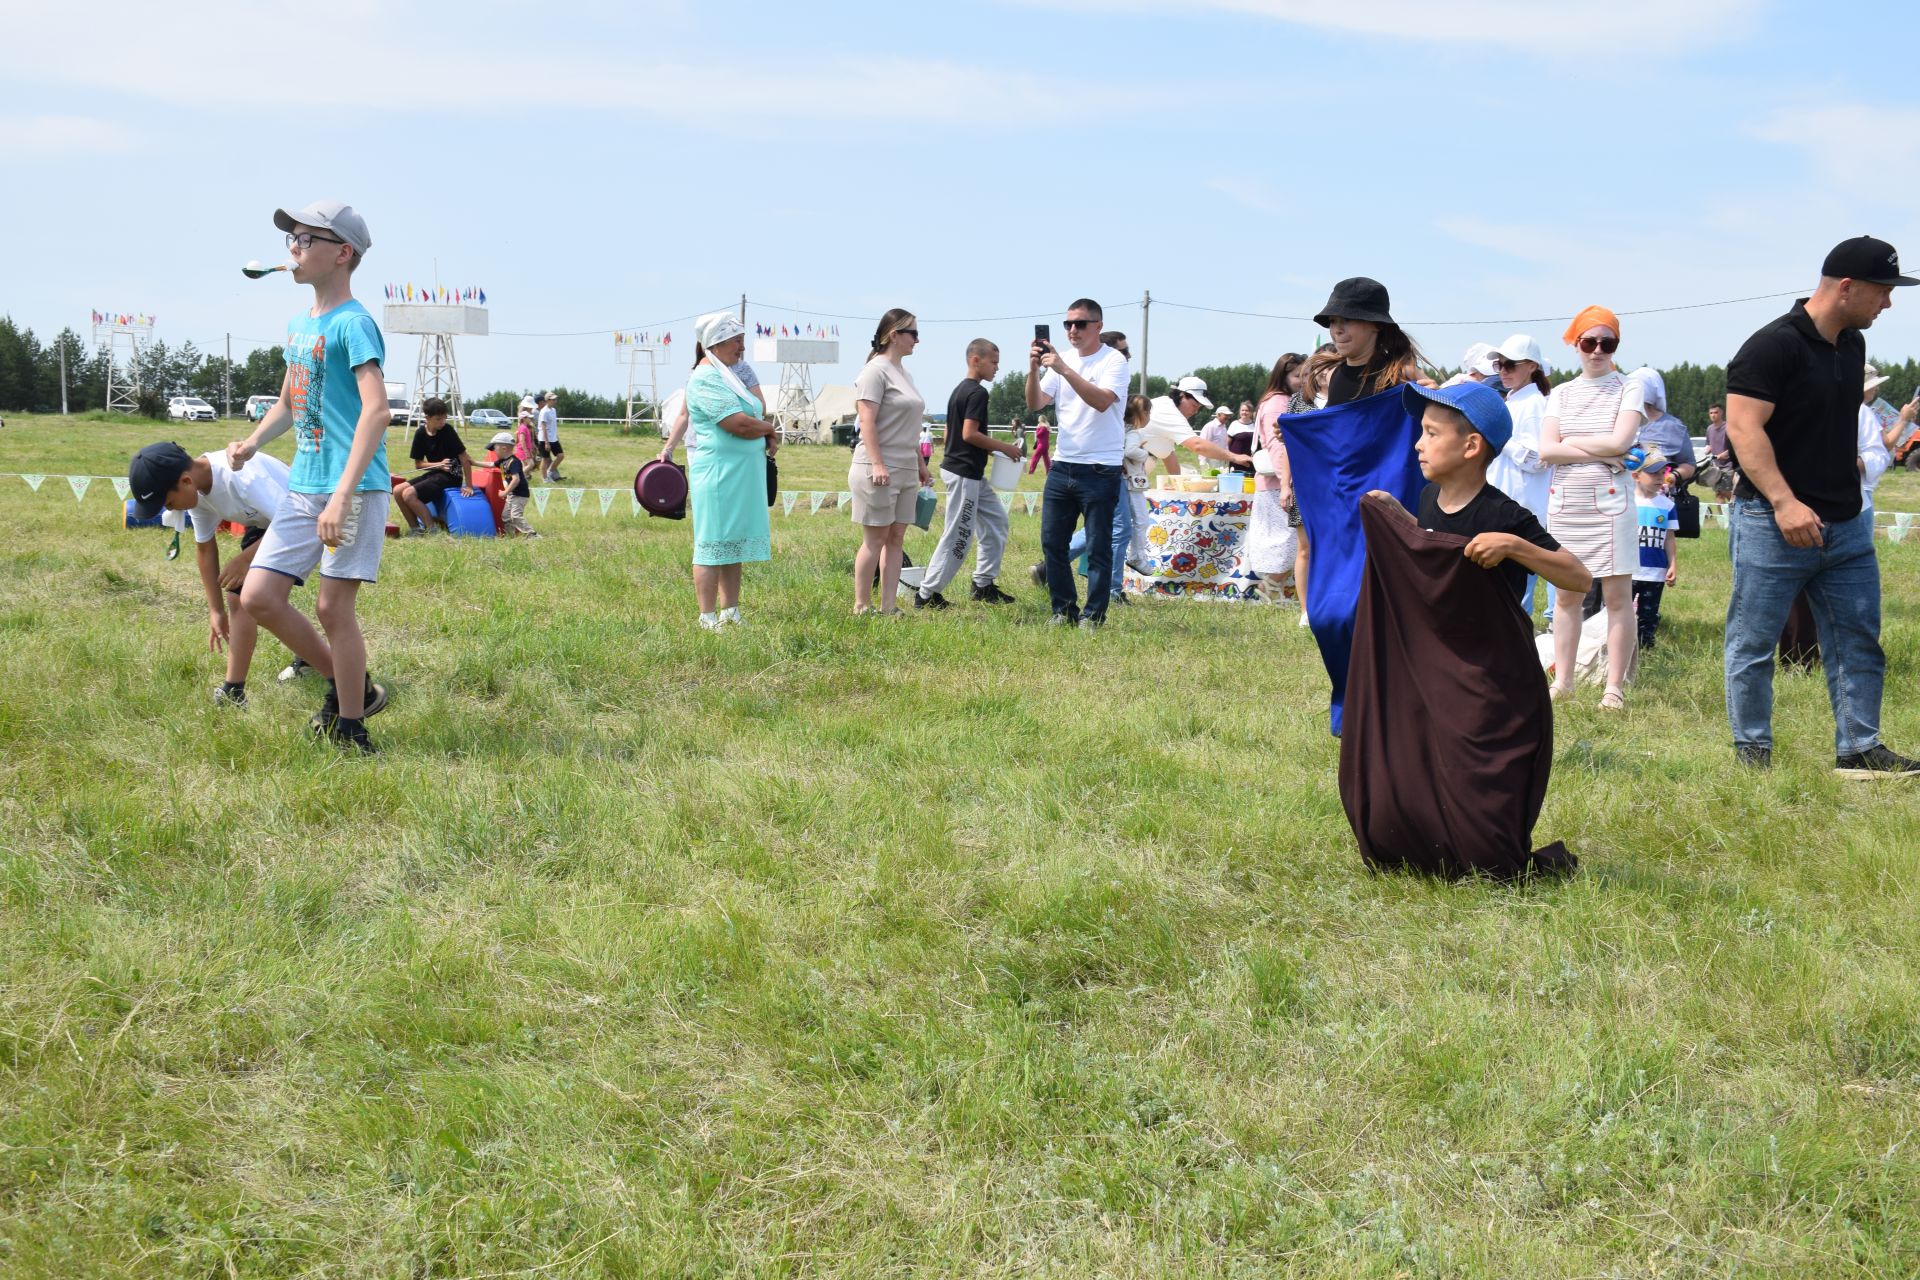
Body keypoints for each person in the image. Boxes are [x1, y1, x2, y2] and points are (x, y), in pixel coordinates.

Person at [1723, 236, 1920, 775]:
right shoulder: (1771, 346)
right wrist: (1784, 503)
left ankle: (1859, 749)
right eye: (1883, 291)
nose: (1889, 303)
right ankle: (1753, 756)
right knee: (1755, 643)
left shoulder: (1851, 345)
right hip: (1772, 522)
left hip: (1846, 525)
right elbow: (1743, 428)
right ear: (1847, 287)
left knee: (1859, 639)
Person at [227, 200, 392, 752]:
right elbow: (290, 402)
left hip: (353, 488)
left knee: (330, 607)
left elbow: (377, 411)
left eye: (305, 239)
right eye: (290, 239)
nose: (292, 249)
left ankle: (351, 727)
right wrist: (252, 443)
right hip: (304, 484)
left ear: (342, 253)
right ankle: (355, 688)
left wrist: (342, 496)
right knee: (258, 596)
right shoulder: (300, 326)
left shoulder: (356, 323)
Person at [1382, 380, 1591, 604]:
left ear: (1471, 446)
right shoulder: (1429, 495)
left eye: (1431, 433)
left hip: (1494, 638)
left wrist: (1513, 546)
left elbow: (1580, 578)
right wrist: (1397, 512)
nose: (1419, 444)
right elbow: (1437, 536)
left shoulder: (1503, 514)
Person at [129, 440, 296, 707]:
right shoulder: (197, 494)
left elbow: (293, 518)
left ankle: (323, 668)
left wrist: (245, 559)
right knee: (237, 598)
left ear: (185, 481)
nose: (171, 510)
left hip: (304, 520)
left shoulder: (241, 476)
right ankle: (234, 691)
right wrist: (215, 611)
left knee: (258, 598)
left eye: (169, 503)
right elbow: (205, 549)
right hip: (267, 524)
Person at [1539, 305, 1646, 710]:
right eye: (1589, 342)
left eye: (1607, 342)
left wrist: (1573, 446)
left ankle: (1613, 687)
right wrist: (1603, 448)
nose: (1598, 350)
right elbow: (1546, 449)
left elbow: (1622, 440)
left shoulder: (1628, 386)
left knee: (1618, 596)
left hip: (1611, 505)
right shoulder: (1562, 393)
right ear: (1575, 344)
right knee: (1566, 597)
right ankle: (1562, 680)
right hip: (1567, 506)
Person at [1028, 298, 1131, 629]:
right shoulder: (1062, 362)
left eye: (1080, 324)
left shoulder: (1113, 361)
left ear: (1097, 327)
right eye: (1068, 324)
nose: (1072, 330)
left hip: (1101, 468)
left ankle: (1094, 615)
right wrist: (1034, 369)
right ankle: (1063, 610)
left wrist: (1063, 370)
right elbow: (1035, 403)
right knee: (1052, 543)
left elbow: (1101, 402)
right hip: (1063, 464)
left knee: (1099, 546)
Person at [686, 312, 777, 629]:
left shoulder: (728, 374)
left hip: (738, 475)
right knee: (712, 543)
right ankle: (707, 617)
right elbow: (735, 422)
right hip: (719, 475)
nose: (742, 347)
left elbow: (752, 410)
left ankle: (730, 611)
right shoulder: (705, 378)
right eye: (737, 341)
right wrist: (767, 429)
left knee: (732, 543)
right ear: (718, 342)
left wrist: (763, 431)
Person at [916, 339, 1022, 610]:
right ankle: (926, 595)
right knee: (959, 534)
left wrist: (983, 452)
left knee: (997, 522)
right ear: (976, 360)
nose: (997, 368)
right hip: (963, 474)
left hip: (969, 472)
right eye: (994, 362)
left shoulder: (958, 391)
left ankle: (983, 585)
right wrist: (1005, 447)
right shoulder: (977, 393)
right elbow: (968, 434)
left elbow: (952, 434)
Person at [850, 308, 928, 617]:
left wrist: (920, 464)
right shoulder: (874, 371)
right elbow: (866, 420)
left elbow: (907, 426)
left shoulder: (904, 374)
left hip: (906, 466)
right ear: (894, 335)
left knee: (896, 539)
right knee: (875, 538)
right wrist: (879, 464)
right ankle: (861, 605)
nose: (917, 341)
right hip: (877, 467)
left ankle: (889, 606)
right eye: (913, 334)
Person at [1485, 334, 1554, 611]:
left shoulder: (1535, 404)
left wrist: (1500, 438)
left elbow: (1539, 459)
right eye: (1499, 365)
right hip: (1503, 502)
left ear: (1531, 366)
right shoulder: (1513, 401)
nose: (1503, 370)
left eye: (1510, 364)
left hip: (1521, 508)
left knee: (1515, 593)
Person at [1248, 354, 1306, 599]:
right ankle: (1267, 590)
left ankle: (1272, 591)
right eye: (1297, 376)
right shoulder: (1279, 403)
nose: (1302, 381)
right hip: (1278, 483)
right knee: (1287, 541)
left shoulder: (1278, 400)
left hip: (1276, 482)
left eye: (1305, 376)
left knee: (1288, 540)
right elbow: (1278, 446)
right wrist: (1288, 483)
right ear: (1283, 377)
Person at [395, 396, 474, 532]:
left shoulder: (448, 431)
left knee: (408, 494)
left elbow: (464, 458)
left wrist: (469, 486)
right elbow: (418, 464)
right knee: (397, 491)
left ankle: (432, 530)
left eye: (444, 418)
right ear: (427, 417)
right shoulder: (420, 433)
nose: (442, 422)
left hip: (451, 475)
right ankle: (415, 529)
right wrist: (438, 465)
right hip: (435, 472)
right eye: (438, 419)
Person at [1631, 457, 1677, 649]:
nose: (1660, 478)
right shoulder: (1627, 502)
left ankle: (1645, 648)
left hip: (1655, 573)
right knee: (1619, 612)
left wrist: (1672, 564)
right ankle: (1619, 646)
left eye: (1662, 473)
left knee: (1648, 615)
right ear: (1636, 476)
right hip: (1628, 570)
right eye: (1653, 473)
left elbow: (1669, 537)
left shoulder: (1667, 505)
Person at [1629, 368, 1697, 487]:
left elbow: (1689, 464)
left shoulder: (1672, 426)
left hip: (1658, 498)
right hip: (1622, 497)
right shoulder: (1620, 422)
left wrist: (1672, 476)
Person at [487, 430, 538, 536]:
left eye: (494, 448)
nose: (493, 451)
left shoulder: (513, 462)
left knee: (515, 516)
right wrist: (472, 462)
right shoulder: (502, 461)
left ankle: (532, 534)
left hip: (520, 494)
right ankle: (511, 537)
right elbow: (490, 464)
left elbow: (516, 479)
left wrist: (505, 493)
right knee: (506, 516)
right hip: (512, 495)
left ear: (504, 449)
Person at [1859, 370, 1892, 507]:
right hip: (1859, 489)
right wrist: (1903, 420)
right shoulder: (1863, 411)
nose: (1876, 388)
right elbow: (1886, 443)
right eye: (1873, 384)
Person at [537, 391, 565, 482]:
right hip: (544, 439)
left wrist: (556, 437)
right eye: (553, 399)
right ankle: (545, 479)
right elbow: (543, 427)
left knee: (561, 455)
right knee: (545, 459)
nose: (555, 401)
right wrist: (546, 442)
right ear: (548, 400)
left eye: (555, 399)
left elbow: (553, 425)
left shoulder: (553, 410)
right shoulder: (544, 412)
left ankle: (550, 471)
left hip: (553, 438)